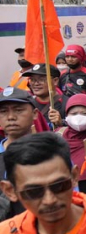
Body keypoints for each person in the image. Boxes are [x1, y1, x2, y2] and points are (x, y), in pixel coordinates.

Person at [0, 88, 46, 218]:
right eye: (3, 111)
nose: (11, 117)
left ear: (35, 113)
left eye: (18, 110)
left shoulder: (50, 154)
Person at [22, 63, 64, 128]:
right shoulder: (27, 104)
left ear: (55, 81)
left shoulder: (66, 103)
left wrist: (61, 123)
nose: (36, 83)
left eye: (41, 80)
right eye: (32, 80)